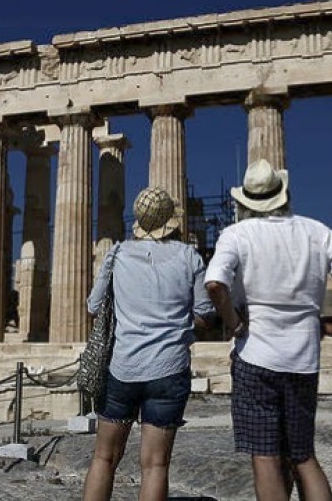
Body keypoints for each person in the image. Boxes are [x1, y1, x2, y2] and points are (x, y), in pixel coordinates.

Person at [205, 159, 332, 501]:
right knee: (303, 456)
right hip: (303, 361)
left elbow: (214, 285)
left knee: (266, 458)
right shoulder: (316, 231)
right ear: (283, 194)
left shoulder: (237, 234)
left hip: (255, 358)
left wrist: (235, 323)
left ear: (246, 202)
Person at [83, 187, 217, 501]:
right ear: (171, 221)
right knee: (155, 465)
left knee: (104, 458)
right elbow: (204, 315)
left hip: (123, 368)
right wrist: (180, 323)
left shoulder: (116, 253)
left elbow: (92, 307)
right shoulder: (189, 257)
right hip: (169, 369)